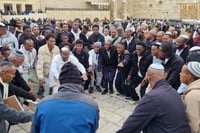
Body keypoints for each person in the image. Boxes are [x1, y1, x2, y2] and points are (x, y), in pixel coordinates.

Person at [117, 63, 191, 133]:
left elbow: (131, 126)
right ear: (165, 75)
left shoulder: (152, 97)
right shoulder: (173, 91)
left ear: (149, 77)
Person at [32, 62, 99, 133]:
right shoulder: (92, 106)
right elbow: (93, 129)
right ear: (79, 82)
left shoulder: (43, 104)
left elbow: (35, 129)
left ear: (60, 81)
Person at [0, 61, 33, 133]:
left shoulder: (6, 82)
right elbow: (2, 109)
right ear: (5, 73)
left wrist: (20, 105)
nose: (14, 76)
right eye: (13, 74)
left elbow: (13, 94)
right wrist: (30, 116)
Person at [181, 62, 200, 133]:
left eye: (182, 72)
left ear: (189, 76)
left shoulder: (192, 96)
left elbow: (194, 128)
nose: (180, 74)